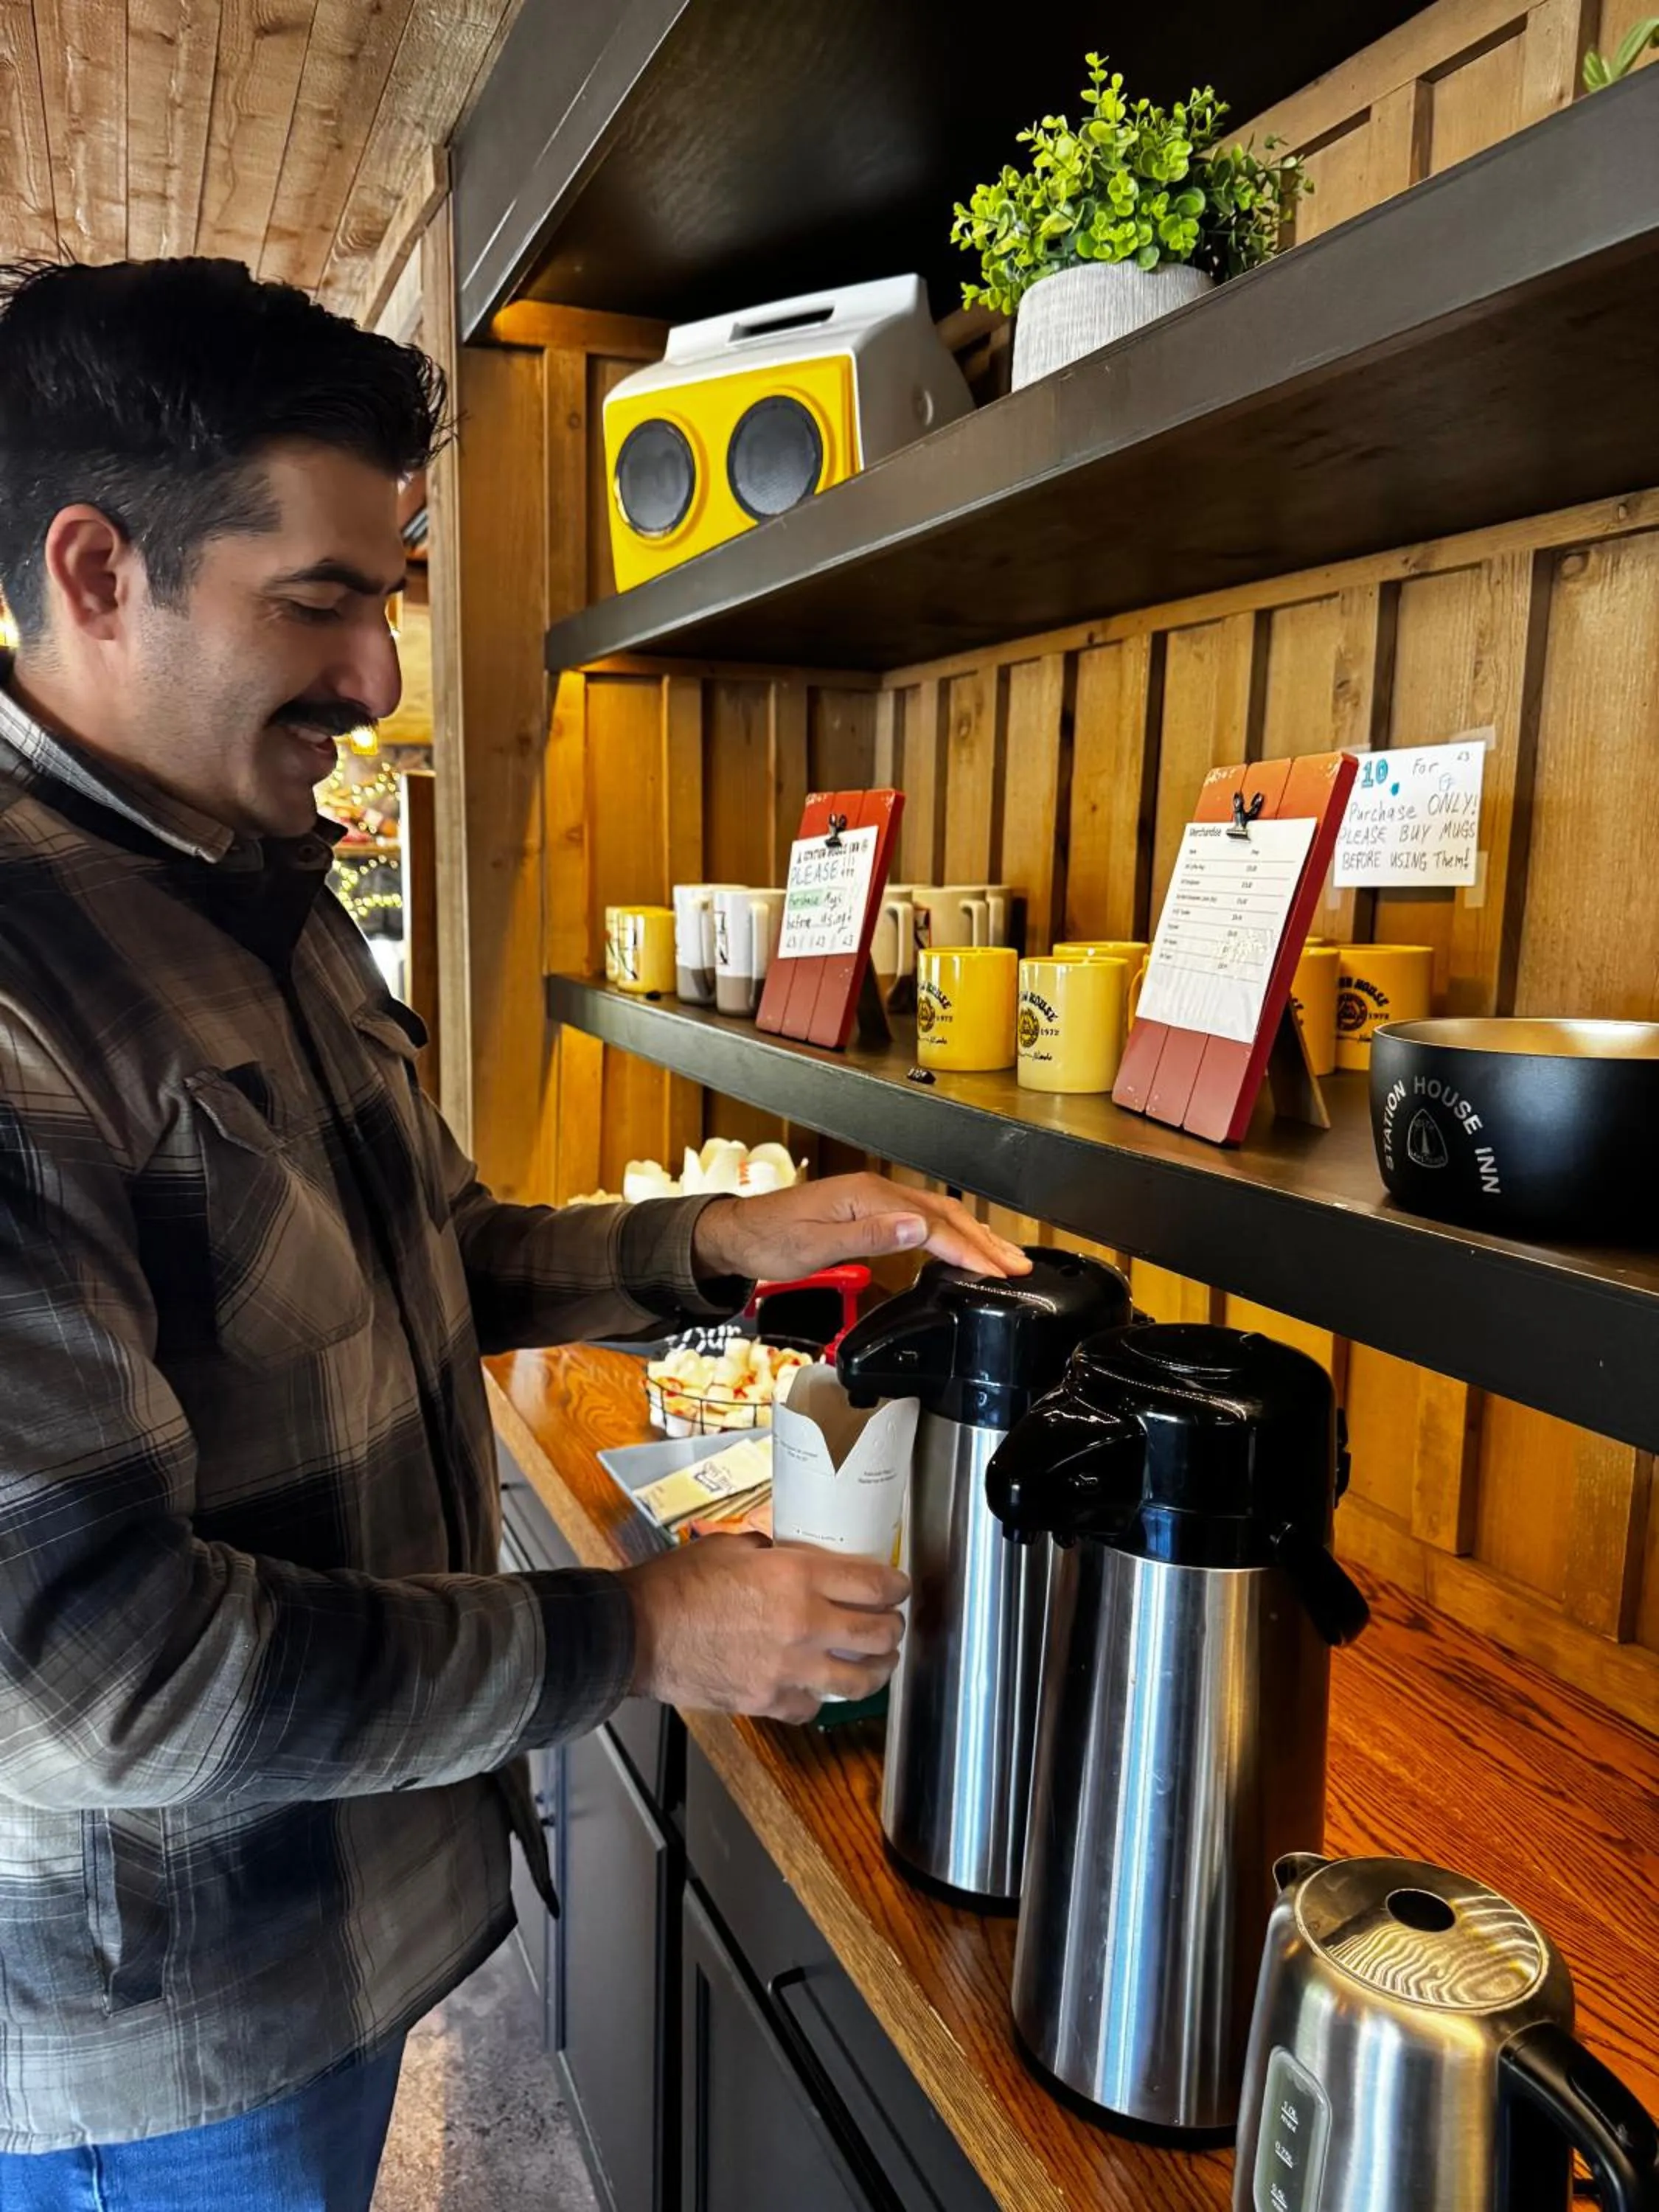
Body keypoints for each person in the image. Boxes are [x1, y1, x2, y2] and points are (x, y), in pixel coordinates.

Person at [0, 258, 1029, 2209]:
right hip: (172, 2034)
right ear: (97, 570)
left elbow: (424, 1257)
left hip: (343, 1926)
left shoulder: (266, 881)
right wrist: (645, 1626)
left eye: (384, 599)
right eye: (320, 601)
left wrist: (723, 1243)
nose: (380, 680)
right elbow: (103, 1669)